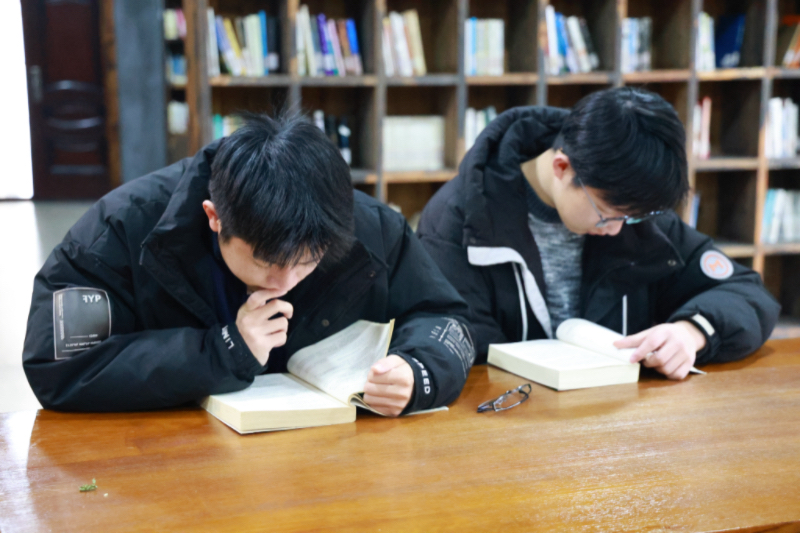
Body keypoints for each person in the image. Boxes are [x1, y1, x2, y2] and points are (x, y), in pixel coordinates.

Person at [23, 113, 475, 415]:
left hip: (336, 463)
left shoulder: (368, 227)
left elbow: (445, 316)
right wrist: (223, 350)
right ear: (214, 217)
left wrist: (420, 372)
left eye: (307, 262)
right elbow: (59, 368)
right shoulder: (119, 230)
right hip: (173, 465)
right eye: (265, 261)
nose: (284, 283)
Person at [417, 87, 779, 380]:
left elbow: (747, 293)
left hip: (621, 424)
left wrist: (691, 331)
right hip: (509, 423)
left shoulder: (633, 209)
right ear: (562, 167)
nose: (617, 229)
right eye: (606, 214)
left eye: (630, 218)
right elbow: (459, 354)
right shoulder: (458, 222)